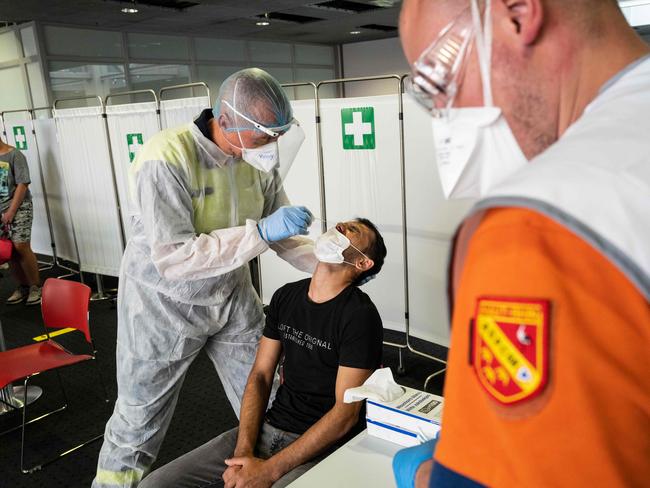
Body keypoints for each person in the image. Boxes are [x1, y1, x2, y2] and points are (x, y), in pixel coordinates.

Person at [394, 0, 650, 486]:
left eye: (440, 83)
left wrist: (433, 474)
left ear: (518, 13)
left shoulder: (538, 227)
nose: (445, 121)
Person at [93, 68, 319, 487]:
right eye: (265, 135)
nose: (273, 145)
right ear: (227, 119)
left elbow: (281, 232)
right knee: (139, 419)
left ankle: (278, 476)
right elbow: (175, 258)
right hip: (163, 305)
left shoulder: (256, 161)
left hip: (231, 296)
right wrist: (261, 232)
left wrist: (325, 262)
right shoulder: (167, 158)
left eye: (278, 135)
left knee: (268, 397)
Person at [138, 219, 388, 488]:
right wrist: (244, 451)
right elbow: (260, 374)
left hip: (322, 446)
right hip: (270, 426)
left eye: (354, 230)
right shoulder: (286, 297)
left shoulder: (360, 316)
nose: (341, 226)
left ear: (363, 263)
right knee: (155, 484)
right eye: (344, 223)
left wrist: (269, 471)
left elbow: (345, 414)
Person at [0, 135, 41, 306]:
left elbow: (23, 184)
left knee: (21, 245)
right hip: (1, 209)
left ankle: (35, 287)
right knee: (10, 251)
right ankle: (22, 286)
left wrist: (11, 211)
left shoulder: (15, 155)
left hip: (19, 206)